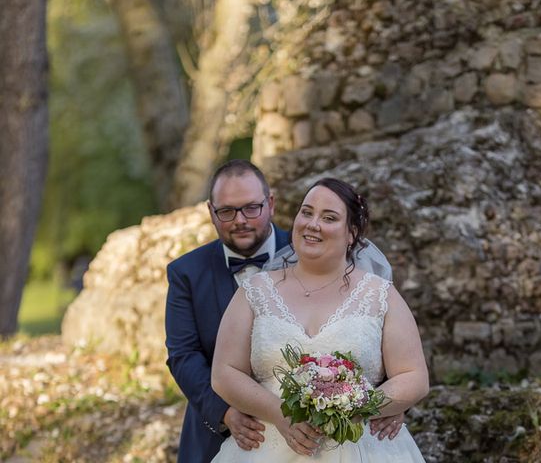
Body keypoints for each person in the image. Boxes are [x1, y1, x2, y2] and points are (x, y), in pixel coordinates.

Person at [165, 161, 403, 462]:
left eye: (251, 208)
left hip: (351, 439)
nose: (240, 220)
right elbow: (183, 355)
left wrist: (390, 402)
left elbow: (376, 341)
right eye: (227, 211)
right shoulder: (186, 272)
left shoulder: (315, 242)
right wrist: (225, 413)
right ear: (211, 212)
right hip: (238, 434)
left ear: (271, 203)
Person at [211, 177, 430, 462]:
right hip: (267, 446)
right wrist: (279, 413)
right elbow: (224, 372)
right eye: (307, 212)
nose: (313, 224)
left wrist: (358, 407)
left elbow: (414, 377)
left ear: (351, 233)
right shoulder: (255, 291)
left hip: (361, 447)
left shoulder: (380, 295)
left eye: (329, 217)